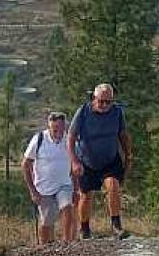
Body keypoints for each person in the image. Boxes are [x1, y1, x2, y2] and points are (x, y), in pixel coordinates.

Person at [67, 83, 133, 240]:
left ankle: (116, 226)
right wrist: (74, 161)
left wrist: (128, 155)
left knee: (113, 186)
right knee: (86, 195)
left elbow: (123, 134)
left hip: (110, 159)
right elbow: (71, 137)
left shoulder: (117, 112)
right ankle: (85, 230)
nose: (104, 105)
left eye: (108, 102)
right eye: (101, 101)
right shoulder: (83, 112)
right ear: (93, 99)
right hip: (86, 160)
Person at [21, 110, 77, 245]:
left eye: (62, 127)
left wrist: (76, 187)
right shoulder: (39, 139)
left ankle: (66, 243)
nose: (59, 131)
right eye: (55, 128)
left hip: (64, 184)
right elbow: (25, 165)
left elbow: (75, 164)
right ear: (49, 126)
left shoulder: (69, 140)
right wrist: (32, 191)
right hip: (43, 188)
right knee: (46, 221)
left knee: (67, 207)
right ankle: (45, 248)